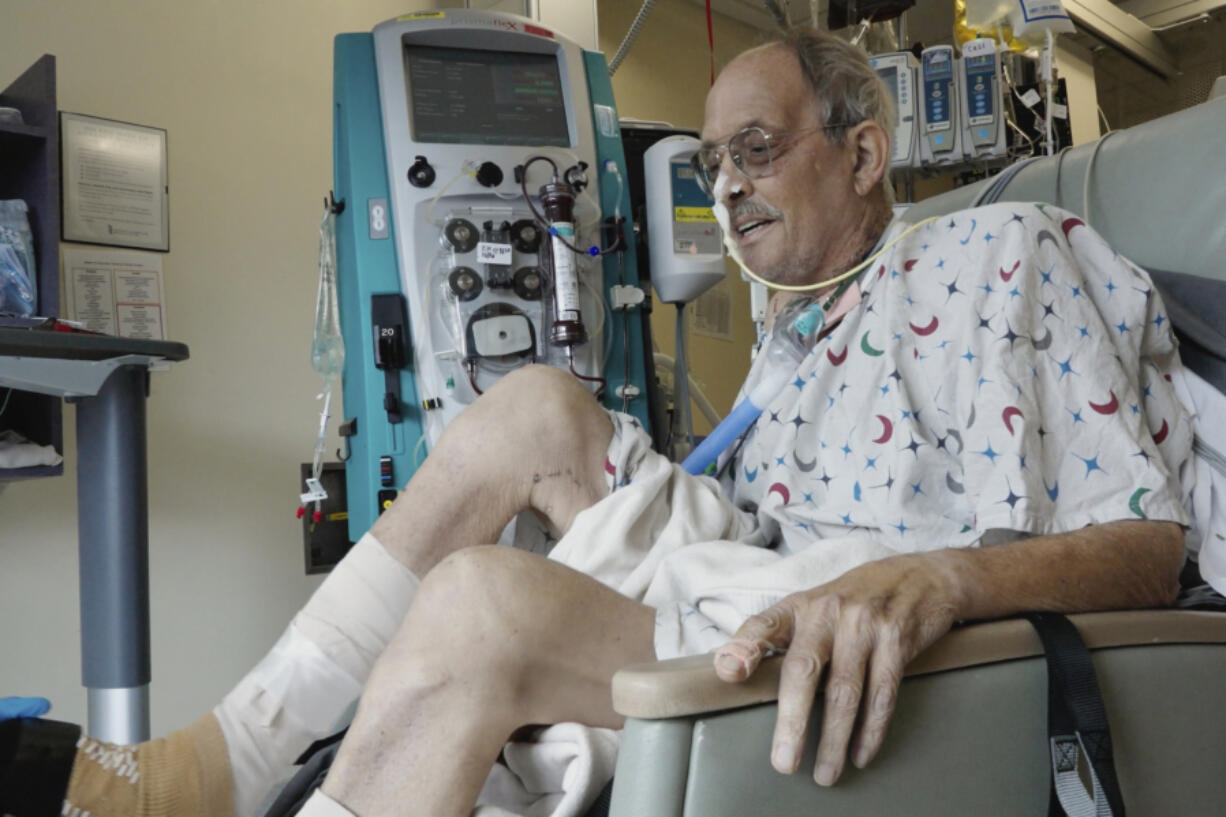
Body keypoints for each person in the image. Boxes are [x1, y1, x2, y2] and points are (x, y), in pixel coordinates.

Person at [2, 27, 1191, 817]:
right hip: (754, 562)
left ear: (864, 153)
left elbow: (1146, 548)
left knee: (477, 602)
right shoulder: (798, 332)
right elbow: (726, 519)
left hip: (857, 620)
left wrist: (939, 579)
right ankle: (220, 762)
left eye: (757, 151)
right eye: (714, 160)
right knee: (527, 403)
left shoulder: (1003, 251)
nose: (723, 186)